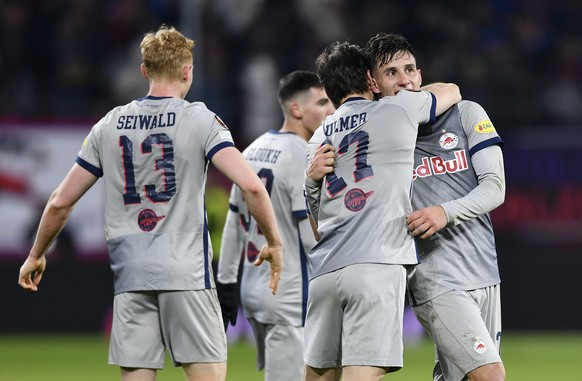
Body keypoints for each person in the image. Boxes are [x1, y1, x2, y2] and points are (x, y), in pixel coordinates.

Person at [17, 25, 284, 381]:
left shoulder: (108, 125)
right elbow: (251, 186)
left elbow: (59, 203)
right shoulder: (200, 119)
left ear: (144, 70)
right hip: (186, 272)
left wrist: (36, 254)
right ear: (188, 71)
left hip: (132, 275)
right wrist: (275, 242)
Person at [302, 41, 461, 381]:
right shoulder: (397, 109)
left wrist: (311, 181)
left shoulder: (317, 138)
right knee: (363, 372)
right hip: (376, 263)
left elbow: (313, 221)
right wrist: (405, 91)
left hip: (324, 271)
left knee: (318, 374)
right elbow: (452, 91)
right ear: (370, 80)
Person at [363, 33, 507, 381]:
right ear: (373, 83)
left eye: (410, 69)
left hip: (485, 271)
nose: (405, 79)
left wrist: (446, 211)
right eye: (392, 73)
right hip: (434, 277)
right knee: (489, 374)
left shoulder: (466, 113)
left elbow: (496, 187)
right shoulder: (377, 133)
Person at [216, 70, 335, 381]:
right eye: (322, 103)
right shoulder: (303, 155)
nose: (332, 110)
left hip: (255, 290)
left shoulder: (251, 150)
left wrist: (227, 281)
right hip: (291, 292)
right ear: (296, 109)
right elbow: (308, 234)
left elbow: (234, 220)